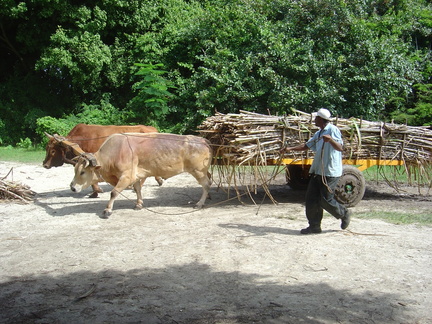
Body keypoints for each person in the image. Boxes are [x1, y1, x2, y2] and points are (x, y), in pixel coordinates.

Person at [281, 108, 352, 234]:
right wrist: (289, 149)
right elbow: (307, 146)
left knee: (325, 199)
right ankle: (314, 226)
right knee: (311, 199)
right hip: (318, 170)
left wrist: (330, 140)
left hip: (330, 172)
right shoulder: (319, 133)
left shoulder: (332, 130)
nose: (314, 120)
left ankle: (344, 213)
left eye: (316, 118)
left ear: (320, 119)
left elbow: (340, 148)